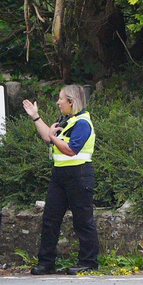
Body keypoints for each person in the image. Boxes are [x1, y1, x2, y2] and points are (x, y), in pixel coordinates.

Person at [22, 84, 99, 275]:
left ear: (71, 102)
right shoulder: (68, 120)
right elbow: (49, 137)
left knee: (83, 221)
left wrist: (52, 136)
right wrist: (36, 117)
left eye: (61, 99)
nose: (58, 102)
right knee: (50, 219)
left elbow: (71, 149)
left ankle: (88, 262)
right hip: (60, 174)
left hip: (79, 174)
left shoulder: (82, 123)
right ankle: (46, 262)